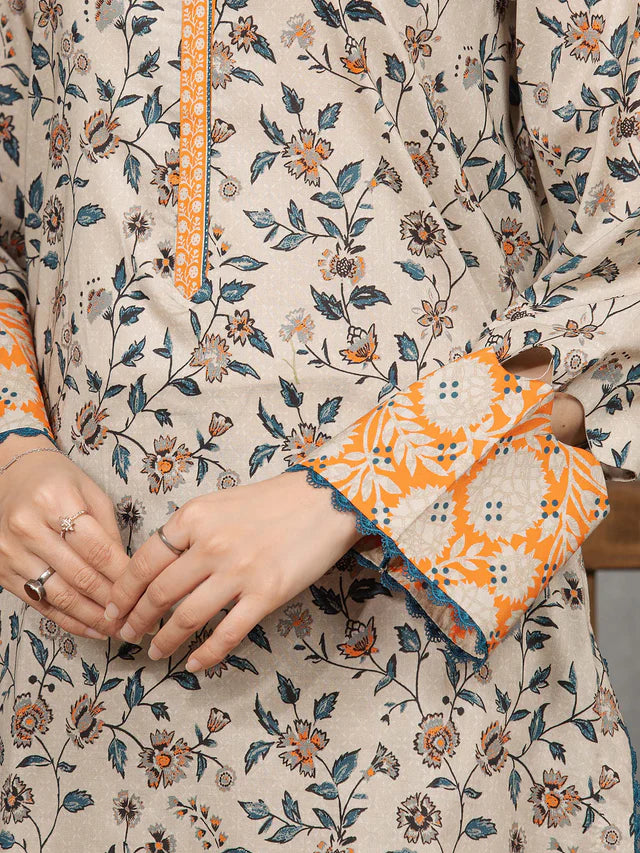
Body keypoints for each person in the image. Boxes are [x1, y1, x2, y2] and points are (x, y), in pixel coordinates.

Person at [0, 0, 637, 849]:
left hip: (424, 669)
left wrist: (349, 489)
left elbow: (622, 271)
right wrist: (10, 444)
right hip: (73, 689)